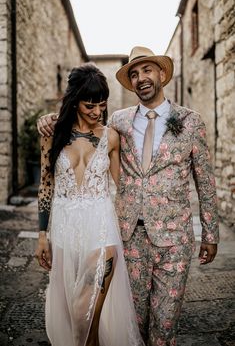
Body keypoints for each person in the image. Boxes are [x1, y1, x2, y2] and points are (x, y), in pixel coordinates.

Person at [37, 47, 219, 346]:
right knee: (132, 321)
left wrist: (210, 233)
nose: (141, 78)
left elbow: (205, 180)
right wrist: (47, 118)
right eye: (134, 74)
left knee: (164, 324)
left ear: (162, 74)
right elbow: (78, 119)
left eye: (147, 70)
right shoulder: (119, 121)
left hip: (172, 236)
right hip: (128, 234)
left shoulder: (190, 121)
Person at [35, 63, 144, 346]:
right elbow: (46, 185)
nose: (97, 112)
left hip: (101, 229)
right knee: (77, 319)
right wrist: (42, 236)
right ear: (74, 102)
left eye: (102, 105)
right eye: (89, 105)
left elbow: (124, 188)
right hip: (65, 230)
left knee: (86, 312)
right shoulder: (52, 134)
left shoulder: (110, 137)